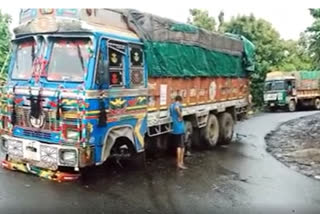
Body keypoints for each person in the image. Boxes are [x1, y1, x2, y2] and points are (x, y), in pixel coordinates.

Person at [170, 95, 187, 169]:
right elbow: (177, 108)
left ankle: (180, 162)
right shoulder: (177, 104)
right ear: (180, 100)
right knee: (181, 146)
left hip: (174, 127)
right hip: (180, 128)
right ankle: (180, 163)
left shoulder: (171, 106)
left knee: (178, 145)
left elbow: (171, 114)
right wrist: (180, 116)